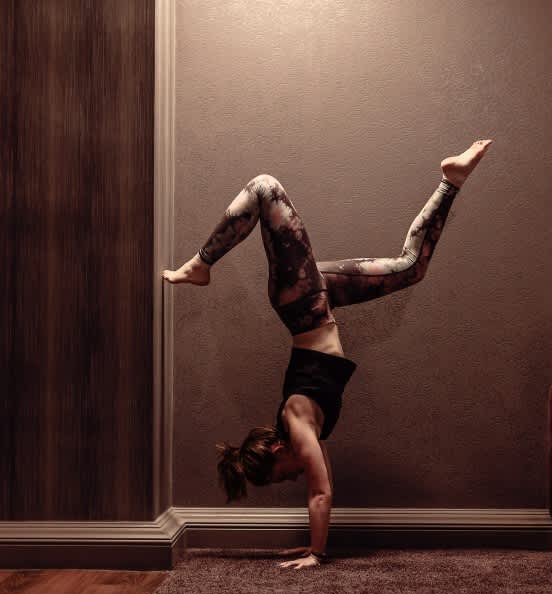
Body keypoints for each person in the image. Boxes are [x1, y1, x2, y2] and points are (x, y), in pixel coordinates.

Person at [163, 140, 492, 569]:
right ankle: (451, 180)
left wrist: (317, 554)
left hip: (301, 300)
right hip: (317, 299)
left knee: (265, 188)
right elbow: (326, 481)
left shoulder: (297, 424)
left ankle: (201, 263)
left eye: (285, 473)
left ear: (278, 449)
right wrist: (313, 544)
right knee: (412, 266)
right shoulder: (303, 429)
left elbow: (320, 492)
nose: (296, 475)